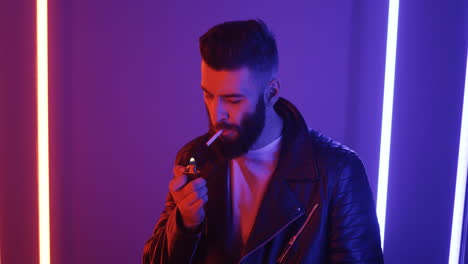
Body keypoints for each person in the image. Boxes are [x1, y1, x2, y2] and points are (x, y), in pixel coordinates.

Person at [143, 19, 384, 264]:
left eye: (233, 100)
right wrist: (185, 224)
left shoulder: (338, 172)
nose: (217, 115)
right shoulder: (194, 157)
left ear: (271, 93)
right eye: (208, 95)